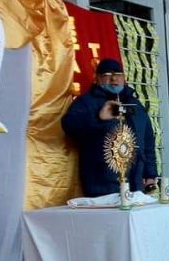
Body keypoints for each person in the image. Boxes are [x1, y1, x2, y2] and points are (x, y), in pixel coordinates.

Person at [62, 58, 157, 197]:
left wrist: (150, 173)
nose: (113, 79)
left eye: (118, 74)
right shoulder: (87, 102)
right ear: (97, 79)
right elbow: (68, 126)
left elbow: (148, 141)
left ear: (124, 78)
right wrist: (98, 119)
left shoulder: (135, 104)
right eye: (107, 75)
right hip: (101, 183)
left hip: (136, 183)